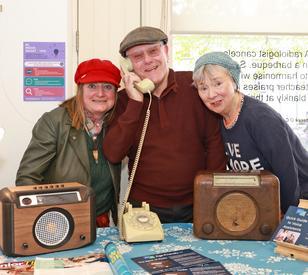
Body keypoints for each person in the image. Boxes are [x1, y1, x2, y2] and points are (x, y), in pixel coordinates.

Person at [102, 26, 227, 223]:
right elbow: (113, 154)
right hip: (143, 209)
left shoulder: (195, 87)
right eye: (137, 56)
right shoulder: (124, 100)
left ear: (166, 51)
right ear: (128, 65)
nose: (148, 60)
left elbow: (214, 144)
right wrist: (135, 103)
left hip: (198, 205)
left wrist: (212, 197)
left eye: (153, 51)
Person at [192, 51, 308, 214]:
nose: (211, 94)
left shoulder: (260, 118)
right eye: (203, 88)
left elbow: (288, 174)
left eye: (218, 84)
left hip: (299, 202)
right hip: (267, 203)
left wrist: (289, 217)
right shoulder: (218, 119)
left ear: (234, 81)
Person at [16, 58, 122, 227]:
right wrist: (46, 219)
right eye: (92, 86)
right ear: (80, 89)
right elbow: (27, 178)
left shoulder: (118, 123)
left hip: (101, 221)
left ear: (116, 93)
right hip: (58, 222)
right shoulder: (54, 122)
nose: (100, 93)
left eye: (108, 87)